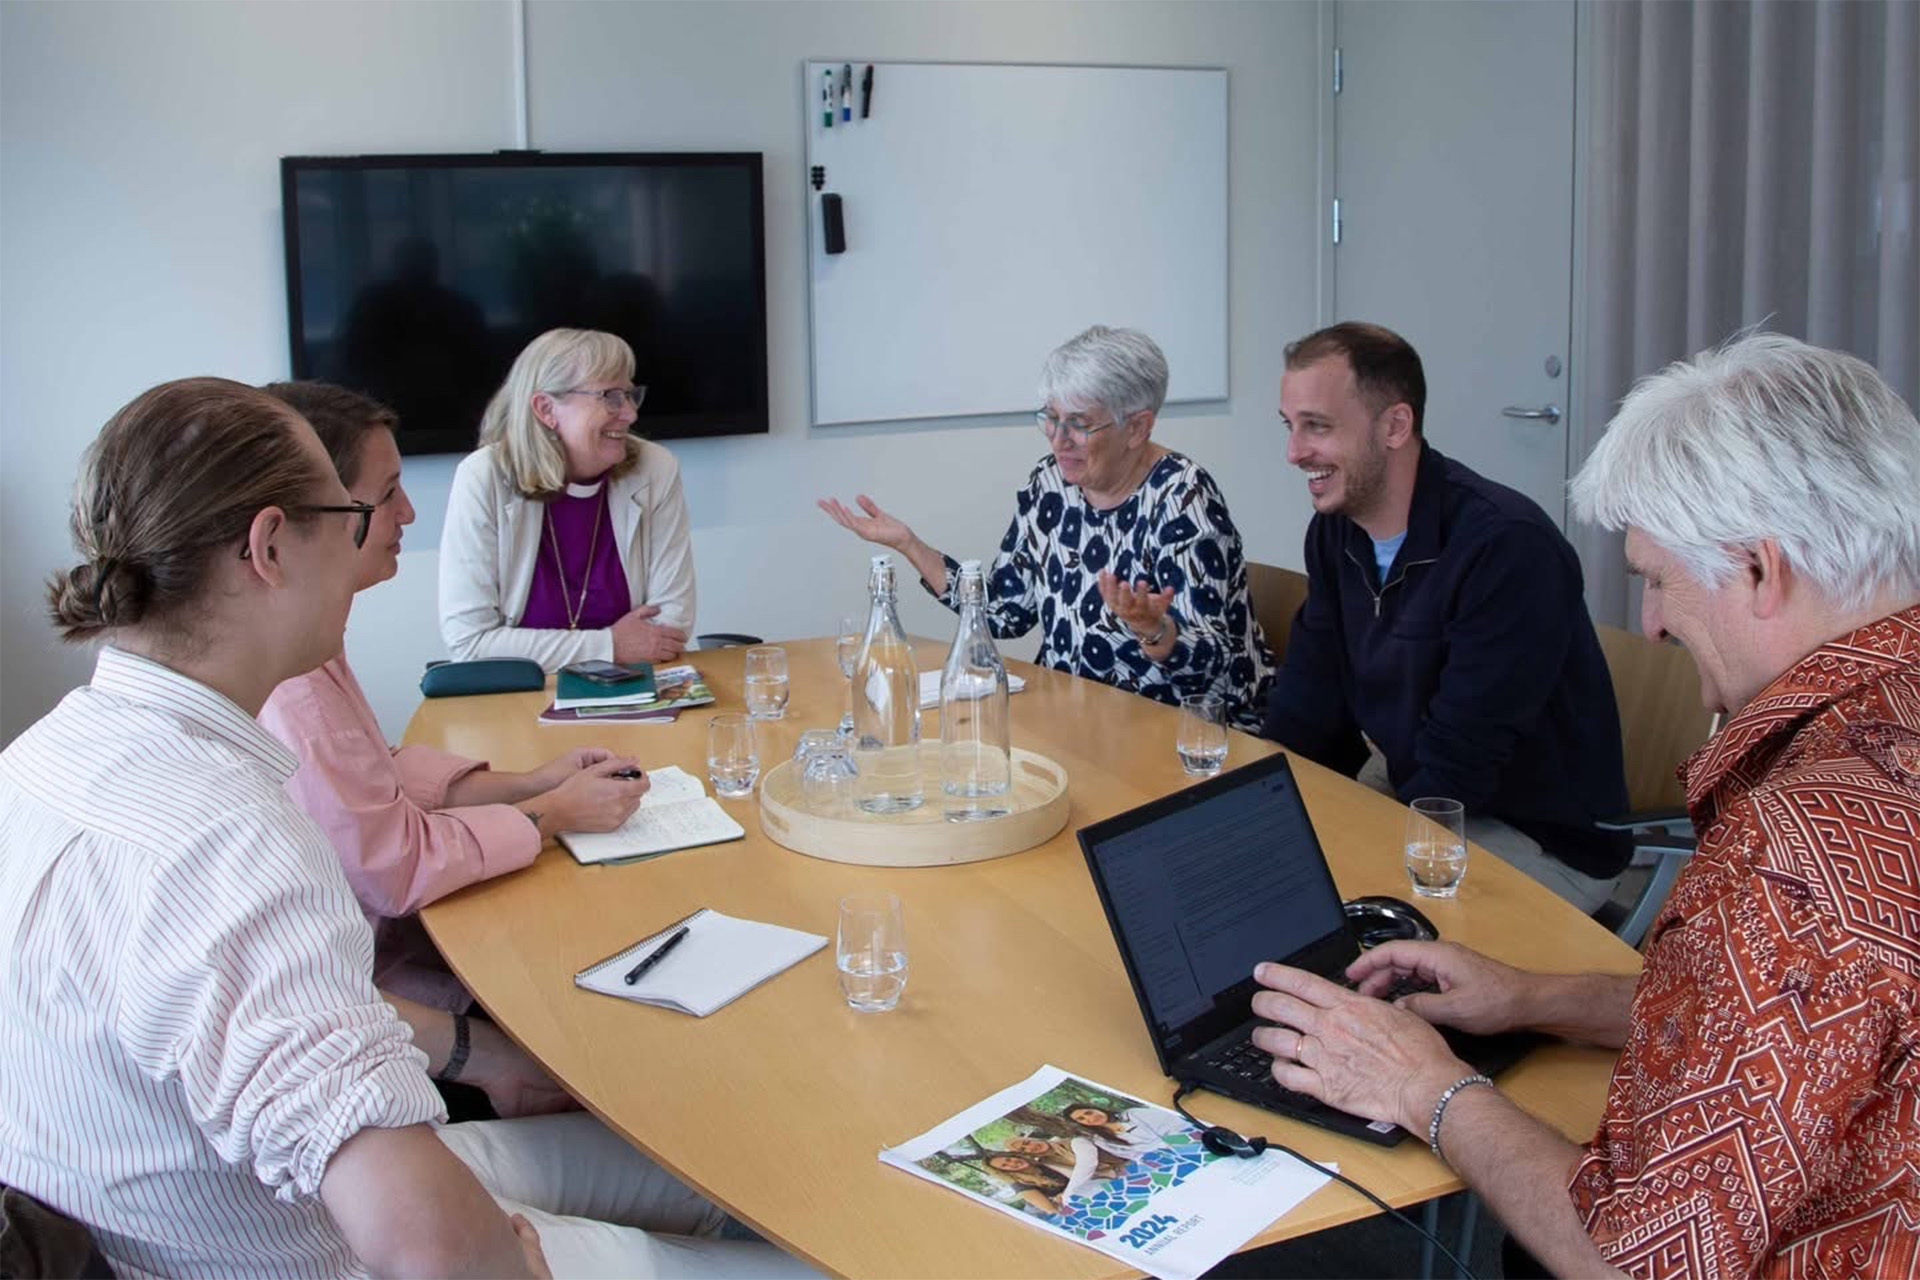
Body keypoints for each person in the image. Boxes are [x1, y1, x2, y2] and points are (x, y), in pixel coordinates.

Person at [0, 377, 805, 1278]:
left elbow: (251, 1029)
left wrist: (477, 1052)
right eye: (355, 514)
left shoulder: (37, 763)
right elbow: (426, 1251)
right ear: (269, 546)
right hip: (305, 1243)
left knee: (724, 1162)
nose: (377, 535)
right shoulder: (226, 840)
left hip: (250, 1190)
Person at [1246, 334, 1920, 1275]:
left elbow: (1637, 1261)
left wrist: (1424, 1086)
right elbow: (1783, 1010)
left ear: (1763, 571)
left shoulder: (1800, 841)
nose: (1647, 623)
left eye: (1655, 579)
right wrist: (1535, 996)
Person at [259, 381, 652, 1012]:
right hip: (383, 981)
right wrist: (553, 815)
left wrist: (535, 782)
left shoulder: (310, 640)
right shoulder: (292, 686)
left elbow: (377, 775)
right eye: (387, 496)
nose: (410, 514)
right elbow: (391, 869)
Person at [1263, 322, 1630, 910]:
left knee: (1338, 920)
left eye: (1317, 427)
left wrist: (1351, 851)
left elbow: (1461, 763)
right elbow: (1310, 699)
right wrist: (1258, 809)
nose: (1294, 452)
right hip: (1416, 782)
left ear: (1395, 426)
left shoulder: (1505, 547)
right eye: (1290, 426)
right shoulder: (1335, 533)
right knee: (1270, 877)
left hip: (1532, 832)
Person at [819, 325, 1274, 729]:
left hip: (1178, 733)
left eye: (1078, 425)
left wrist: (1153, 630)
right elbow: (1004, 610)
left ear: (1137, 427)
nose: (1058, 440)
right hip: (1077, 721)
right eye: (1051, 418)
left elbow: (1212, 674)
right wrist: (910, 544)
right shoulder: (1051, 484)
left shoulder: (1184, 500)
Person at [440, 327, 696, 671]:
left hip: (632, 692)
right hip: (518, 704)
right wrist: (609, 645)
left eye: (630, 394)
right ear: (546, 408)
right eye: (610, 397)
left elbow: (669, 630)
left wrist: (551, 651)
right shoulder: (483, 477)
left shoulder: (655, 469)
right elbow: (470, 644)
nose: (630, 414)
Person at [1057, 1102, 1190, 1164]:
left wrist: (1174, 1147)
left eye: (1088, 1112)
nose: (1090, 1118)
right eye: (1082, 1119)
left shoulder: (1132, 1114)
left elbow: (1175, 1126)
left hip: (1184, 1145)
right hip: (1162, 1161)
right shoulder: (1100, 1140)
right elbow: (1133, 1155)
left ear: (1095, 1108)